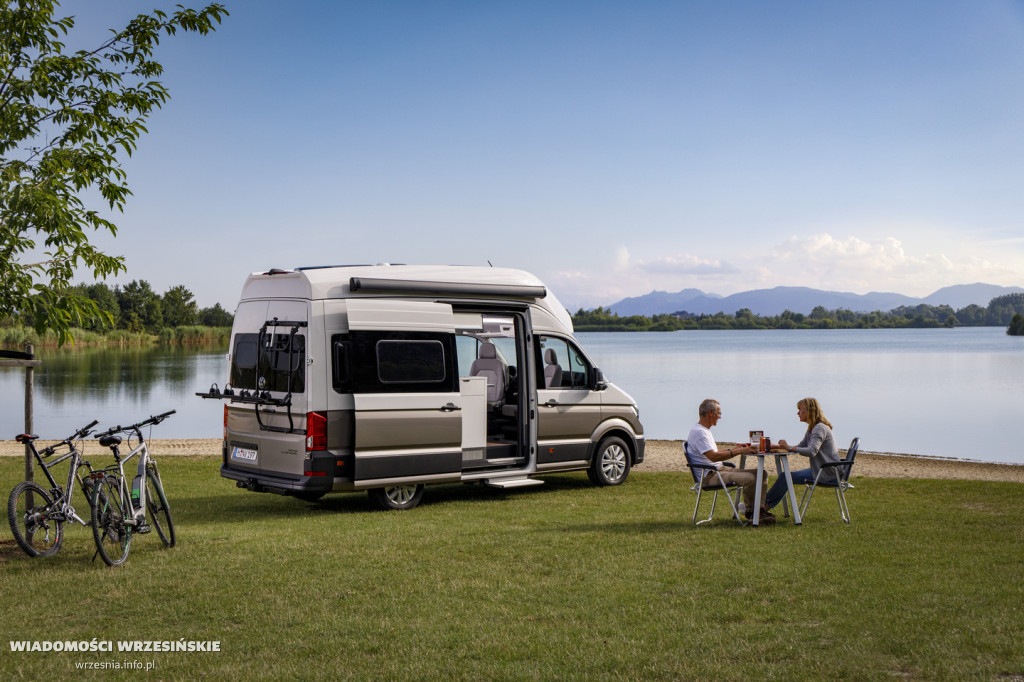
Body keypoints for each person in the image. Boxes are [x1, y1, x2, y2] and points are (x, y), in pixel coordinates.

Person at [685, 398, 774, 525]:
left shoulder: (704, 430)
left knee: (762, 473)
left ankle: (758, 512)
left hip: (719, 471)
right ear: (710, 412)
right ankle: (751, 513)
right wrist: (738, 452)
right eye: (719, 413)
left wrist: (735, 449)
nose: (720, 417)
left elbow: (712, 452)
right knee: (750, 478)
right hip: (710, 476)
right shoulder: (699, 432)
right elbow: (713, 457)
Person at [765, 397, 840, 512]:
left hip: (825, 473)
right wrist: (774, 446)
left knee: (785, 476)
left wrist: (789, 447)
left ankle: (762, 508)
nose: (798, 413)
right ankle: (761, 506)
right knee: (785, 476)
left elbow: (811, 451)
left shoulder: (819, 428)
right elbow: (800, 446)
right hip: (821, 470)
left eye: (800, 409)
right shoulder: (812, 428)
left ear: (810, 411)